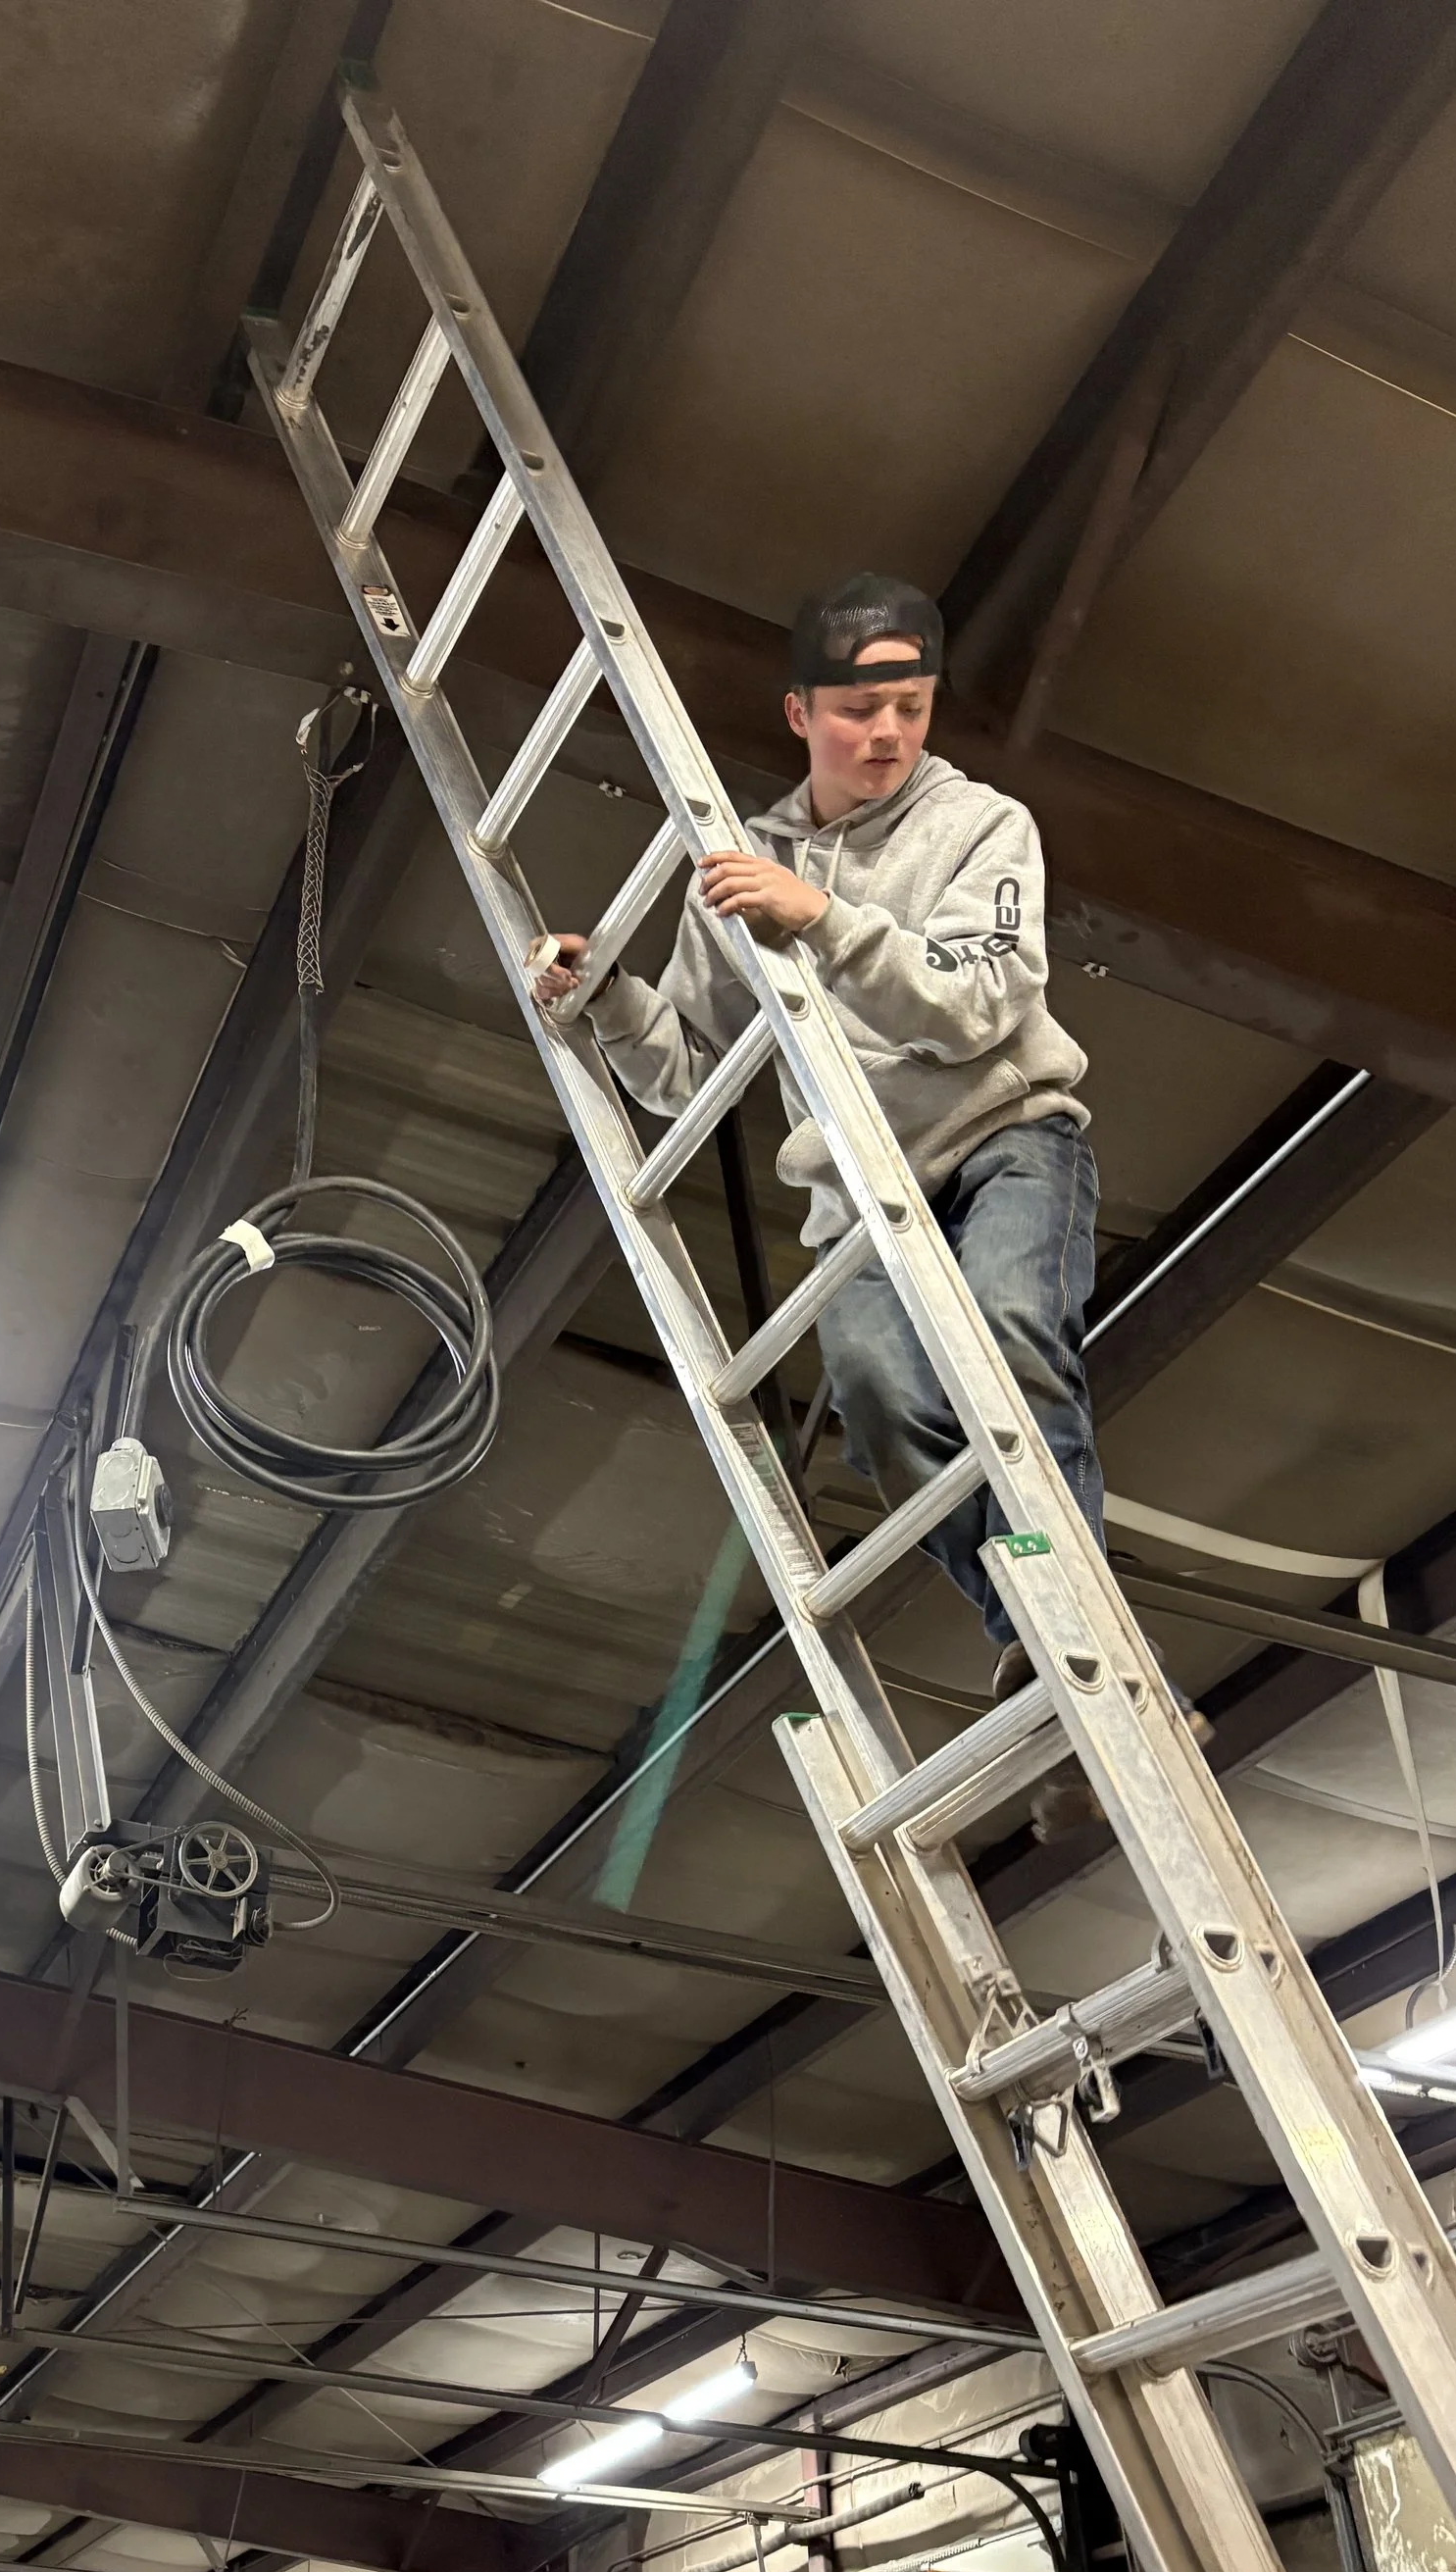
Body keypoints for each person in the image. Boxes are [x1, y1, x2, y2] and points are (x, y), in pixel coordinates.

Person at [535, 572, 1108, 1834]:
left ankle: (1085, 1645)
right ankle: (1037, 1641)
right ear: (799, 712)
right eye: (857, 710)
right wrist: (608, 998)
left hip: (1004, 1138)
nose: (886, 734)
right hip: (858, 1194)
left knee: (1012, 1333)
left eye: (909, 706)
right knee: (876, 1396)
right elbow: (686, 1066)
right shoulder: (744, 865)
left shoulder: (981, 826)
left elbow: (975, 1008)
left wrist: (827, 920)